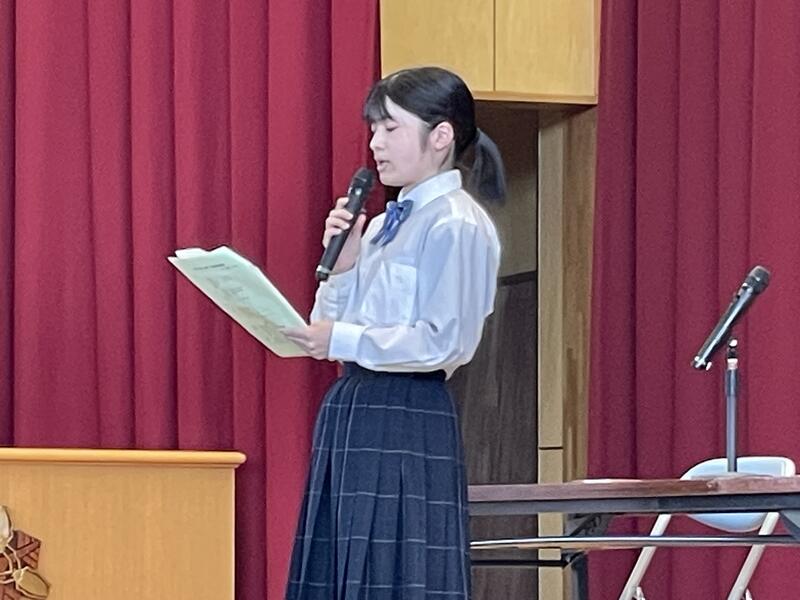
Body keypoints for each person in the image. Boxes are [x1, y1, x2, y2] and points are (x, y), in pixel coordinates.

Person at [281, 66, 505, 600]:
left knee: (395, 569)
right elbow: (331, 324)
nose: (375, 144)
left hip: (407, 410)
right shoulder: (382, 225)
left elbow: (444, 341)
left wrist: (342, 339)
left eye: (390, 128)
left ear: (440, 136)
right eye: (374, 129)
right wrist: (340, 270)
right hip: (353, 405)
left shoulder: (457, 224)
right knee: (339, 568)